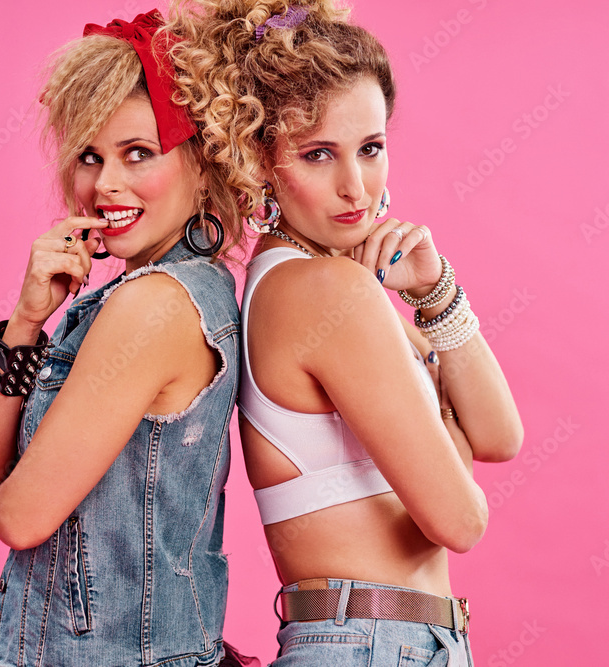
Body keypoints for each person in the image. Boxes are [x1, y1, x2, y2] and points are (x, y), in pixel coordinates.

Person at [169, 1, 523, 664]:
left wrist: (433, 288)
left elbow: (501, 435)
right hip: (372, 644)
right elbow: (460, 519)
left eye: (371, 148)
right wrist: (445, 415)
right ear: (261, 159)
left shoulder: (309, 278)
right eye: (317, 154)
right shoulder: (327, 290)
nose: (354, 186)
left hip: (375, 640)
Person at [0, 10, 246, 666]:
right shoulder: (125, 298)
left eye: (137, 153)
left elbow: (19, 516)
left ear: (202, 164)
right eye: (90, 155)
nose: (105, 183)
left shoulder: (154, 307)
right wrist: (29, 320)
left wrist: (22, 484)